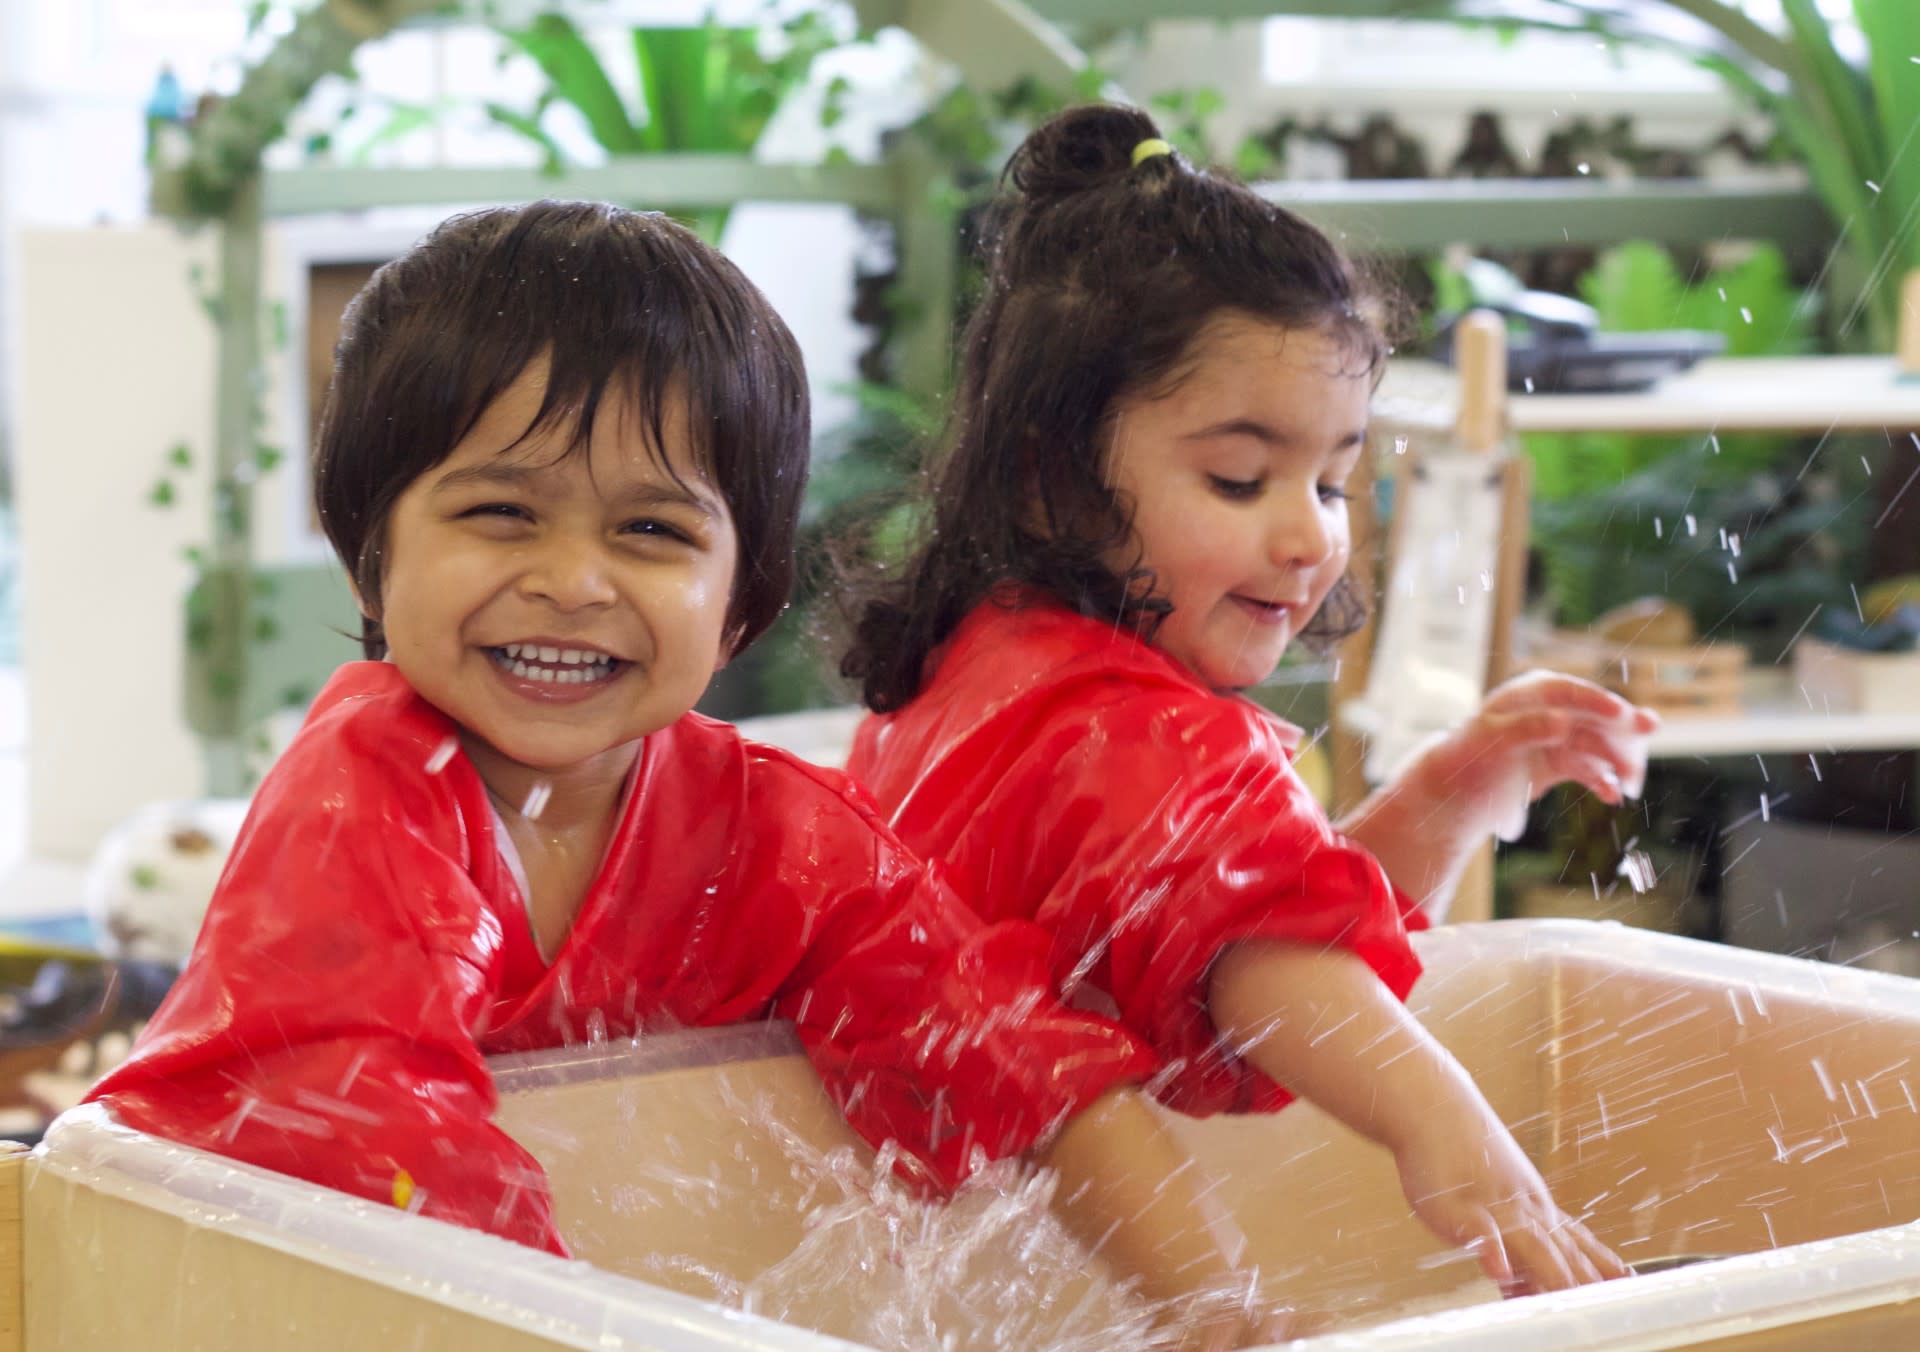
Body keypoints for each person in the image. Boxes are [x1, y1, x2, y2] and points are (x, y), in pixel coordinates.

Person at [86, 201, 1279, 1347]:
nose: (572, 580)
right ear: (369, 555)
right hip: (159, 1288)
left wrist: (1209, 1301)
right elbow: (381, 1153)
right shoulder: (362, 796)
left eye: (651, 530)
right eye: (500, 511)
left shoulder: (774, 833)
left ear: (742, 600)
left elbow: (1006, 1046)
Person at [840, 106, 1659, 1300]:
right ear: (1052, 478)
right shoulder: (1122, 727)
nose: (1310, 534)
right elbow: (1268, 965)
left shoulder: (984, 668)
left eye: (1332, 479)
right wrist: (1461, 1143)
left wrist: (1450, 789)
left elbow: (1254, 944)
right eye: (1239, 477)